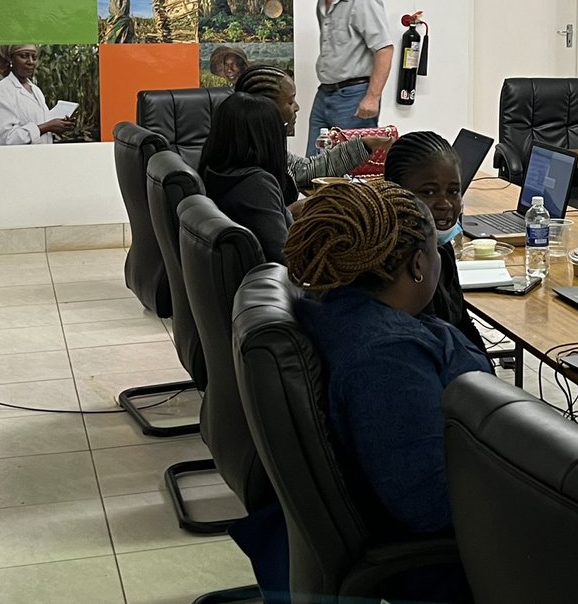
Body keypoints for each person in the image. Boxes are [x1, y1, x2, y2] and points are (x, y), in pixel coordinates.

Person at [285, 180, 488, 601]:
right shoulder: (387, 359)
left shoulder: (331, 308)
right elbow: (431, 504)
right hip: (454, 563)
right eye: (436, 250)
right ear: (417, 264)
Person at [384, 131, 487, 353]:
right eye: (429, 192)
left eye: (454, 192)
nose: (446, 204)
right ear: (394, 190)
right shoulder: (391, 264)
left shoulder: (442, 249)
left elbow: (462, 323)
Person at [304, 0, 394, 155]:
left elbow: (384, 48)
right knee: (313, 166)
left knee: (351, 167)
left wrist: (373, 97)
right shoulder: (322, 0)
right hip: (325, 93)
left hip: (354, 96)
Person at [234, 64, 392, 187]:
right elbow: (273, 220)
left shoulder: (261, 147)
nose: (297, 107)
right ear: (266, 108)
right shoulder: (251, 170)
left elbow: (306, 170)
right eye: (290, 101)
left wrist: (365, 144)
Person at [198, 92, 296, 264]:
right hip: (281, 285)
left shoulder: (214, 171)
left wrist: (286, 211)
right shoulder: (257, 185)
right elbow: (285, 257)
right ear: (268, 139)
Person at [0, 45, 73, 145]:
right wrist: (47, 127)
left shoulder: (35, 90)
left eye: (34, 57)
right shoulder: (2, 90)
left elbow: (41, 122)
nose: (31, 62)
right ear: (11, 59)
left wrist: (61, 124)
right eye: (24, 56)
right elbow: (6, 139)